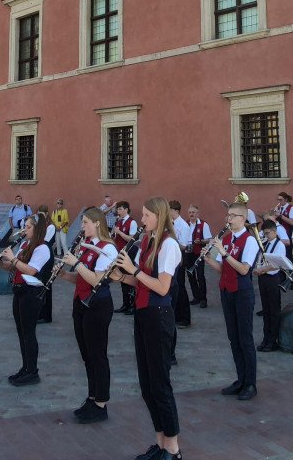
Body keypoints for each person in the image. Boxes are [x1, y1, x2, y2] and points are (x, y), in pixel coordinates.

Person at [114, 197, 182, 460]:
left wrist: (134, 270)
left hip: (159, 315)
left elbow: (162, 287)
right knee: (147, 384)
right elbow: (140, 281)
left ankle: (173, 448)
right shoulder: (147, 242)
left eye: (146, 216)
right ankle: (160, 443)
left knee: (160, 383)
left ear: (159, 216)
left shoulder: (169, 244)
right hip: (143, 314)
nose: (141, 220)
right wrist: (120, 276)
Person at [59, 207, 117, 424]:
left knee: (97, 355)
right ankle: (92, 397)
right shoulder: (88, 246)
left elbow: (97, 280)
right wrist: (66, 274)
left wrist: (76, 263)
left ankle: (101, 403)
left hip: (98, 305)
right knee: (86, 354)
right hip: (81, 303)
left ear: (97, 224)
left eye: (85, 222)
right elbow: (83, 277)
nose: (82, 226)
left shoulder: (107, 248)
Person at [205, 201, 259, 402]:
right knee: (233, 337)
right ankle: (240, 379)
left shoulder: (250, 240)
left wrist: (224, 253)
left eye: (233, 216)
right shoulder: (226, 239)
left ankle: (250, 383)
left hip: (242, 292)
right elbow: (223, 268)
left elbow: (244, 269)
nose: (229, 219)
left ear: (243, 219)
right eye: (228, 215)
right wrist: (210, 259)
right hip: (226, 290)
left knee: (245, 338)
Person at [0, 213, 52, 386]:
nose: (25, 230)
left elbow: (31, 270)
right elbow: (14, 267)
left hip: (32, 293)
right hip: (19, 292)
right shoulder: (24, 244)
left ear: (37, 229)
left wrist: (12, 258)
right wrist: (1, 263)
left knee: (29, 333)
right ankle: (25, 367)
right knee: (21, 332)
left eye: (28, 227)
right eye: (25, 226)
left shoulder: (42, 248)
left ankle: (33, 371)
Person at [252, 219, 285, 351]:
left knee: (273, 310)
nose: (266, 236)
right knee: (266, 309)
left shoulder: (279, 245)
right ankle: (266, 338)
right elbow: (261, 258)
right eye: (264, 233)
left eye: (268, 233)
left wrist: (262, 269)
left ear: (274, 231)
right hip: (263, 278)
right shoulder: (265, 243)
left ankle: (273, 340)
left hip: (272, 278)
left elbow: (277, 264)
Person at [112, 200, 139, 314]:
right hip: (120, 252)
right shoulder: (118, 221)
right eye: (118, 209)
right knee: (122, 279)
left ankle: (133, 305)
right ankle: (125, 304)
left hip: (130, 253)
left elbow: (132, 239)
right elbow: (116, 237)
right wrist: (113, 235)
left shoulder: (132, 222)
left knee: (130, 279)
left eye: (121, 209)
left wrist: (119, 232)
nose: (119, 211)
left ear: (126, 209)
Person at [168, 200, 191, 331]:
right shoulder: (168, 223)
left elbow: (183, 245)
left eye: (170, 210)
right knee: (172, 285)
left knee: (180, 286)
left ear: (176, 211)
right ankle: (175, 314)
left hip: (180, 255)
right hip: (171, 254)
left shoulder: (183, 225)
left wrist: (172, 234)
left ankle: (185, 317)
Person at [184, 205, 211, 308]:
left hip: (199, 252)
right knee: (191, 276)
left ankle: (203, 299)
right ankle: (196, 297)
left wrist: (200, 241)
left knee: (200, 276)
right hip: (188, 252)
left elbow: (208, 239)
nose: (191, 214)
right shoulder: (186, 224)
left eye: (193, 212)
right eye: (190, 212)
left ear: (197, 213)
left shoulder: (203, 225)